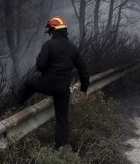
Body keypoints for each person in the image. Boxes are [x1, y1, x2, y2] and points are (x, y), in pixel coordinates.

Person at [17, 16, 90, 149]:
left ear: (53, 30)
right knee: (62, 119)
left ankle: (18, 105)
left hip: (47, 85)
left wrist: (45, 71)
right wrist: (84, 89)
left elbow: (40, 65)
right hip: (63, 89)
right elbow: (84, 70)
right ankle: (61, 148)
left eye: (50, 32)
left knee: (29, 83)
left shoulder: (49, 45)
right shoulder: (73, 48)